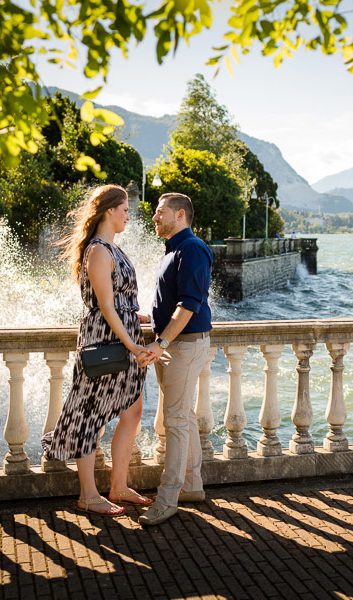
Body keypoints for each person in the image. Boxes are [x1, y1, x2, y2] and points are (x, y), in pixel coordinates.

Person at [42, 184, 155, 515]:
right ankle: (88, 495)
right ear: (109, 211)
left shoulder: (111, 248)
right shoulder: (98, 251)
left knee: (133, 411)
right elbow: (104, 306)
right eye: (124, 210)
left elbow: (118, 301)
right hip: (104, 341)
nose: (128, 216)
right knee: (90, 417)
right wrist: (132, 342)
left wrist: (139, 316)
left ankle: (118, 487)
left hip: (120, 335)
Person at [138, 193, 213, 527]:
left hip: (183, 345)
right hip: (173, 343)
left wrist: (162, 341)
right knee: (183, 417)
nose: (155, 217)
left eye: (160, 212)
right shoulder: (172, 250)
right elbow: (171, 304)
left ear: (179, 214)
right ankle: (192, 485)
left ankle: (167, 499)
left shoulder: (192, 248)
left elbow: (189, 305)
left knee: (175, 422)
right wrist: (147, 322)